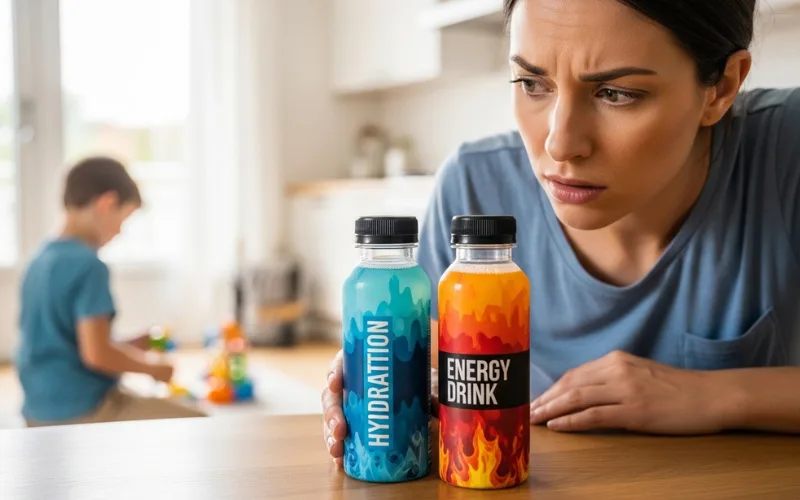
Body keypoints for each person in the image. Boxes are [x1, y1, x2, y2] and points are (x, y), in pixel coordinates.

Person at [322, 0, 800, 463]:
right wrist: (392, 377)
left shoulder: (787, 151)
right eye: (532, 83)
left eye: (616, 93)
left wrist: (713, 395)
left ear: (721, 87)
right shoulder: (474, 190)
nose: (560, 142)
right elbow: (432, 369)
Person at [16, 156, 205, 427]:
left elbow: (65, 343)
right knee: (203, 424)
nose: (119, 232)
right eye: (123, 220)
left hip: (37, 412)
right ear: (106, 204)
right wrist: (153, 368)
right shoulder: (88, 265)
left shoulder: (40, 258)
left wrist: (127, 345)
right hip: (82, 410)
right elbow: (96, 355)